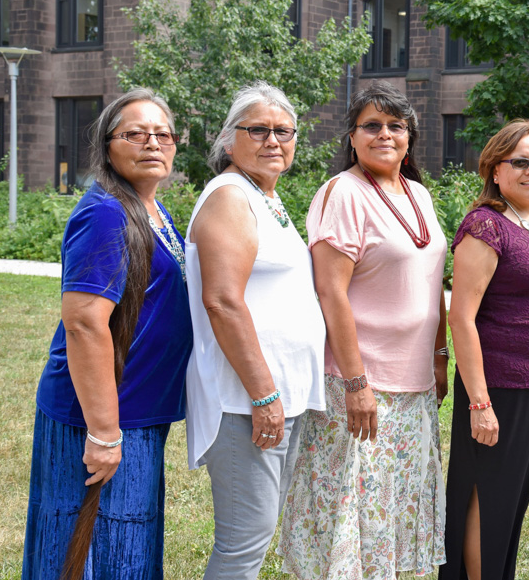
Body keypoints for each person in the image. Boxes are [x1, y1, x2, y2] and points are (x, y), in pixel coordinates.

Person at [22, 88, 194, 580]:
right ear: (107, 145)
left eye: (163, 134)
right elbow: (83, 322)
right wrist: (102, 432)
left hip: (136, 411)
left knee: (127, 542)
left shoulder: (150, 209)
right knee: (90, 548)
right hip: (98, 418)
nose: (152, 143)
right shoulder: (106, 213)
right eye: (135, 134)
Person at [279, 82, 448, 578]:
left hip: (413, 385)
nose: (385, 135)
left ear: (410, 137)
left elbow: (434, 277)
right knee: (353, 511)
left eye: (396, 126)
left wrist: (439, 357)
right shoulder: (342, 193)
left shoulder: (417, 193)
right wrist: (356, 384)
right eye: (371, 126)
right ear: (351, 137)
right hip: (359, 382)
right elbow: (330, 294)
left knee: (391, 508)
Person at [184, 81, 326, 579]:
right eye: (258, 130)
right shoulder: (229, 197)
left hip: (276, 397)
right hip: (245, 398)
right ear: (229, 140)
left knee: (257, 534)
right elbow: (222, 301)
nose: (273, 140)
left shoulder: (264, 196)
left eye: (283, 131)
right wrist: (264, 395)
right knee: (244, 542)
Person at [440, 120, 529, 580]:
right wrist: (479, 403)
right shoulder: (487, 225)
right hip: (499, 386)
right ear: (495, 170)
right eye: (520, 161)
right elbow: (461, 317)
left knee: (513, 501)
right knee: (489, 497)